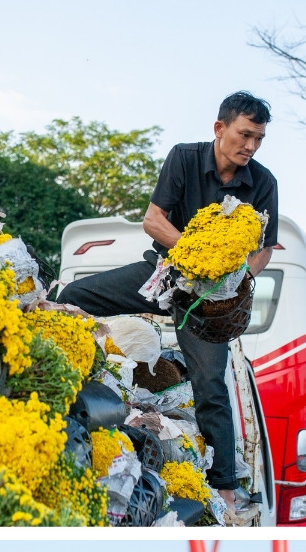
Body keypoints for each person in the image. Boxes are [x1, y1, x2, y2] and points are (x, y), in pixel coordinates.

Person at [57, 91, 281, 511]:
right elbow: (153, 220)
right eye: (245, 134)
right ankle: (75, 388)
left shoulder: (263, 183)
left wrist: (233, 278)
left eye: (259, 139)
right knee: (74, 295)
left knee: (210, 384)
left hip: (209, 300)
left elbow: (264, 250)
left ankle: (227, 489)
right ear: (220, 129)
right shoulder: (184, 158)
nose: (250, 146)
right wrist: (197, 257)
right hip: (165, 274)